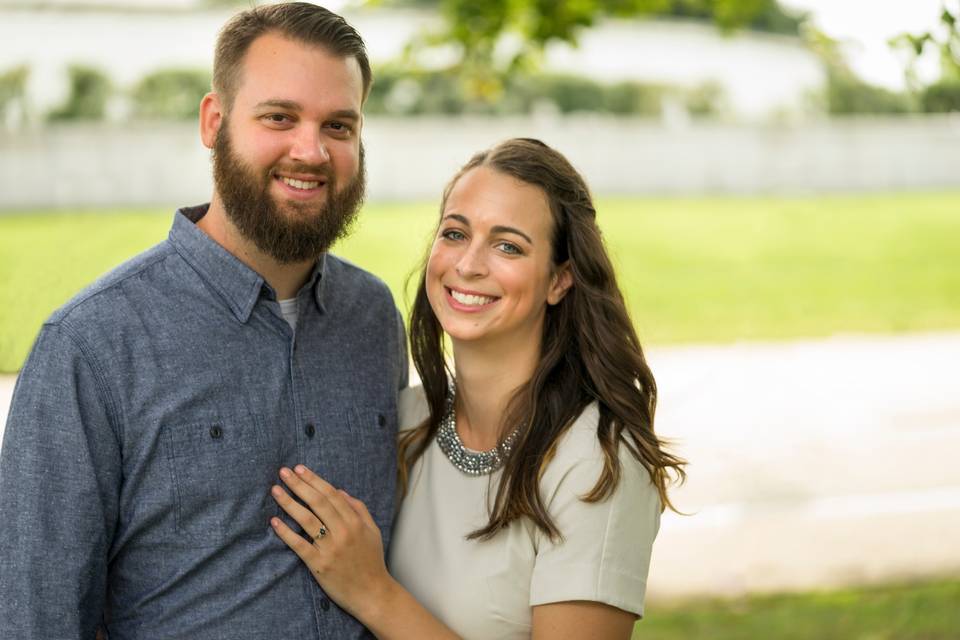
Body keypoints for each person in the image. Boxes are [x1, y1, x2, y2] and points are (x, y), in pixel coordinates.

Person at [0, 3, 406, 638]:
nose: (312, 150)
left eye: (339, 125)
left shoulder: (375, 317)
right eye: (280, 117)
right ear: (214, 122)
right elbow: (36, 616)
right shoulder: (91, 345)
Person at [269, 138, 686, 639]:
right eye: (454, 233)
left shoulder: (595, 463)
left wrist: (374, 593)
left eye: (508, 245)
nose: (468, 265)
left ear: (560, 280)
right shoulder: (406, 422)